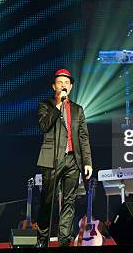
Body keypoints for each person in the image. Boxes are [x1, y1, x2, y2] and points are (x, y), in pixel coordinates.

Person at [36, 69, 93, 248]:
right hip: (52, 159)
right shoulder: (46, 105)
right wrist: (58, 106)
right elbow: (44, 126)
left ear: (71, 86)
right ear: (54, 86)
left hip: (72, 161)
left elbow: (83, 137)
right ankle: (42, 241)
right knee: (47, 201)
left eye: (66, 83)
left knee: (69, 202)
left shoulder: (78, 109)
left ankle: (64, 241)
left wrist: (87, 162)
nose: (63, 85)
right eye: (60, 83)